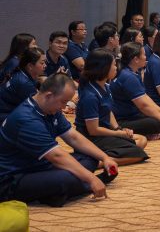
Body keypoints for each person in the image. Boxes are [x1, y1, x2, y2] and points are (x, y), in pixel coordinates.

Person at [0, 73, 119, 207]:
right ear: (48, 95)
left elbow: (73, 137)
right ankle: (70, 188)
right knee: (66, 178)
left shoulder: (50, 109)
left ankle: (58, 192)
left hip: (39, 165)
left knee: (90, 158)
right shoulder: (26, 119)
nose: (64, 107)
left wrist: (105, 158)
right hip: (13, 178)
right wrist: (91, 178)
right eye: (63, 102)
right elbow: (56, 156)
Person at [74, 49, 149, 165]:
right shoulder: (90, 96)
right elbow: (93, 130)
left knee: (141, 140)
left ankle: (101, 157)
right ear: (103, 68)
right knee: (138, 153)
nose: (116, 68)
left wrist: (118, 128)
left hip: (105, 132)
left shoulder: (106, 87)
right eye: (113, 65)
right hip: (91, 137)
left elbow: (108, 111)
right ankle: (100, 162)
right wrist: (118, 134)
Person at [111, 42, 160, 138]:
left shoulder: (134, 73)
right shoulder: (128, 77)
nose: (146, 57)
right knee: (155, 122)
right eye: (144, 55)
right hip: (124, 120)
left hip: (134, 115)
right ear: (136, 59)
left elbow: (145, 98)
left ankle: (157, 131)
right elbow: (143, 105)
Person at [0, 47, 46, 122]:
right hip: (5, 118)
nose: (45, 65)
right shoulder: (25, 83)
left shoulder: (21, 73)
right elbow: (38, 108)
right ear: (30, 66)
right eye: (42, 63)